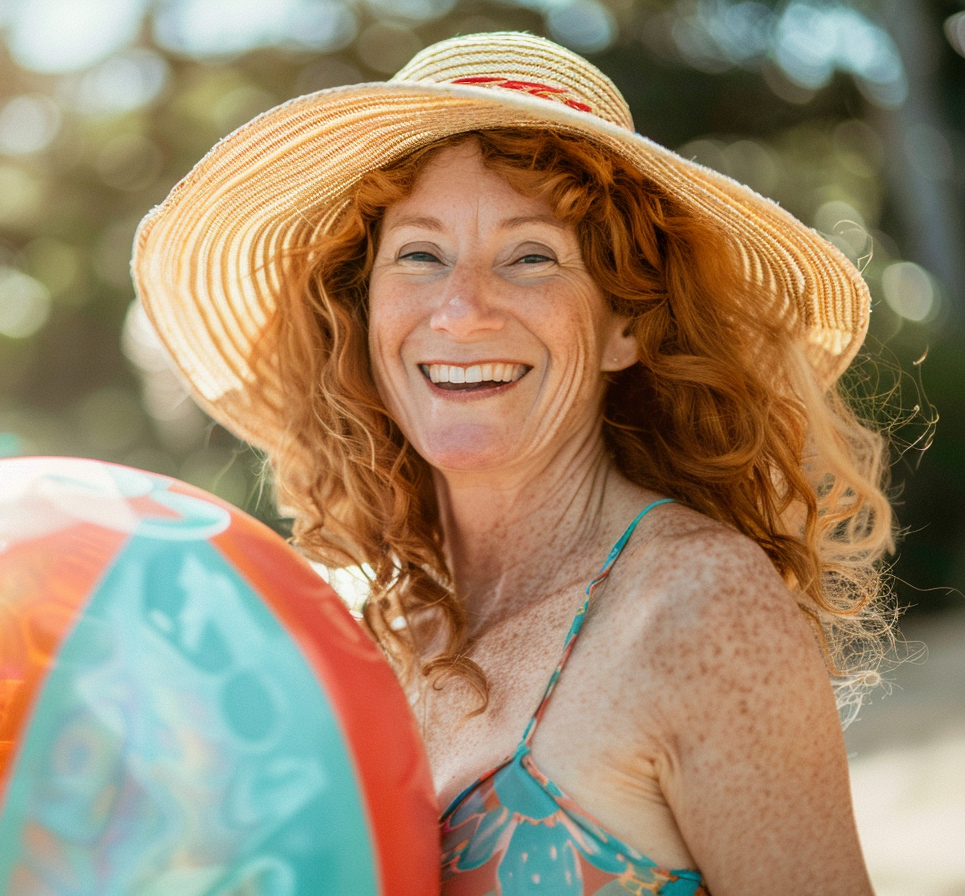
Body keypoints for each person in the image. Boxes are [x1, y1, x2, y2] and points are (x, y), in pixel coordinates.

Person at [132, 31, 894, 895]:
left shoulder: (700, 610)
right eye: (420, 255)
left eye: (531, 256)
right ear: (364, 310)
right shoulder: (360, 629)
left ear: (626, 325)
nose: (460, 311)